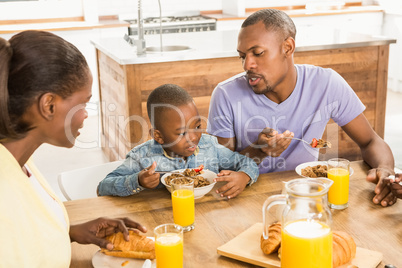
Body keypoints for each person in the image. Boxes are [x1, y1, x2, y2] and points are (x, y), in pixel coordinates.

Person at [206, 9, 397, 207]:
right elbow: (220, 169)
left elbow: (370, 141)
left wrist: (386, 170)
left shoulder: (326, 84)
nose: (247, 64)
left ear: (287, 47)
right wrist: (259, 150)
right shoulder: (226, 95)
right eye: (242, 56)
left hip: (307, 200)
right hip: (243, 203)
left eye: (258, 53)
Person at [0, 30, 147, 267]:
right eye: (83, 103)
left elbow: (26, 235)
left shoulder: (20, 162)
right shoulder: (4, 191)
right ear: (49, 105)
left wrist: (70, 231)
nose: (86, 114)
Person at [97, 84, 259, 199]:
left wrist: (244, 176)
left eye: (197, 126)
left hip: (209, 214)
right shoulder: (143, 157)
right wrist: (138, 181)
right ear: (158, 136)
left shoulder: (209, 146)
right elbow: (103, 186)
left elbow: (247, 163)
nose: (194, 137)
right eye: (182, 133)